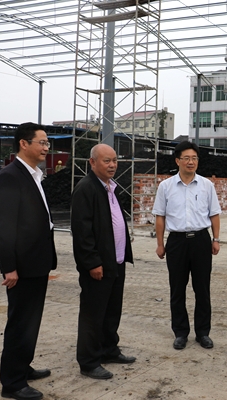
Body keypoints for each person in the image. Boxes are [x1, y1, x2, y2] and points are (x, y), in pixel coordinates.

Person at [0, 122, 57, 400]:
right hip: (22, 265)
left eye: (47, 143)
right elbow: (4, 227)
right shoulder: (10, 176)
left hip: (37, 262)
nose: (46, 148)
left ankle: (23, 366)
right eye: (42, 142)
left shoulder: (34, 175)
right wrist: (9, 267)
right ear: (23, 143)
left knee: (31, 321)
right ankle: (12, 383)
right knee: (20, 323)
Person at [71, 144, 135, 380]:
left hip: (115, 262)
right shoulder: (86, 189)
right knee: (93, 314)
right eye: (107, 161)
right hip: (98, 266)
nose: (112, 165)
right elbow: (82, 232)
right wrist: (91, 263)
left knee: (111, 311)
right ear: (92, 162)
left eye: (115, 160)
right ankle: (89, 362)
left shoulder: (110, 187)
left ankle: (109, 350)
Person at [152, 141, 221, 351]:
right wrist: (160, 244)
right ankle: (180, 332)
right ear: (177, 161)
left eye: (194, 158)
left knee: (202, 289)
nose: (191, 162)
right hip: (176, 242)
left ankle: (203, 333)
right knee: (177, 289)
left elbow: (214, 214)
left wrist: (216, 239)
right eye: (186, 158)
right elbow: (160, 216)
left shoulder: (207, 185)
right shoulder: (166, 186)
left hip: (201, 240)